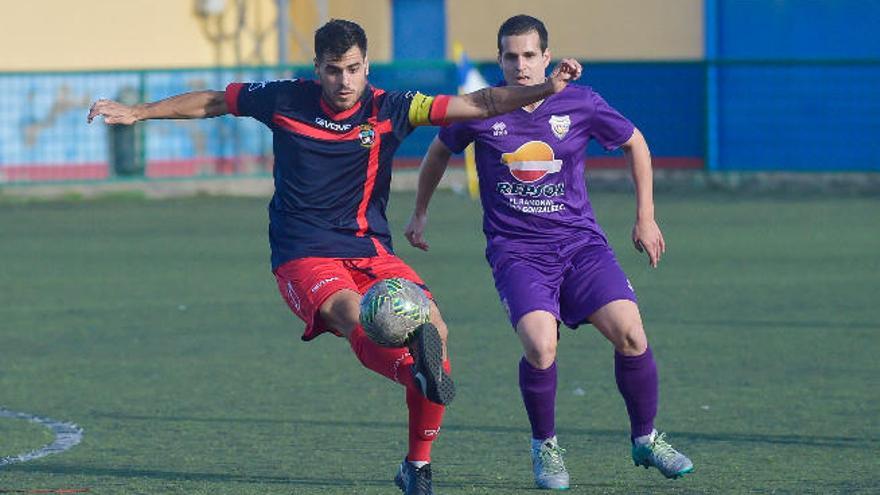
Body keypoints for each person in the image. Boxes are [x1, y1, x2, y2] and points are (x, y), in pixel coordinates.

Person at [87, 19, 581, 495]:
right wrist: (138, 111)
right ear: (317, 67)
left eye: (352, 68)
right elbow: (215, 101)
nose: (343, 81)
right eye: (332, 69)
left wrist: (545, 90)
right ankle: (415, 373)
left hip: (370, 248)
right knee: (355, 316)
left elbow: (482, 102)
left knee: (436, 329)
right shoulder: (283, 98)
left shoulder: (394, 107)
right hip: (302, 252)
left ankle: (417, 466)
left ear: (367, 65)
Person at [405, 14, 693, 490]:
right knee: (540, 344)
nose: (520, 65)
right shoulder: (481, 108)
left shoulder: (580, 102)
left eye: (529, 55)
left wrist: (645, 216)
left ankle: (646, 438)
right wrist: (420, 212)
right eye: (510, 56)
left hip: (581, 246)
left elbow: (635, 143)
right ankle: (545, 447)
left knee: (632, 335)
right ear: (499, 59)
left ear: (546, 57)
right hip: (517, 252)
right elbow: (438, 151)